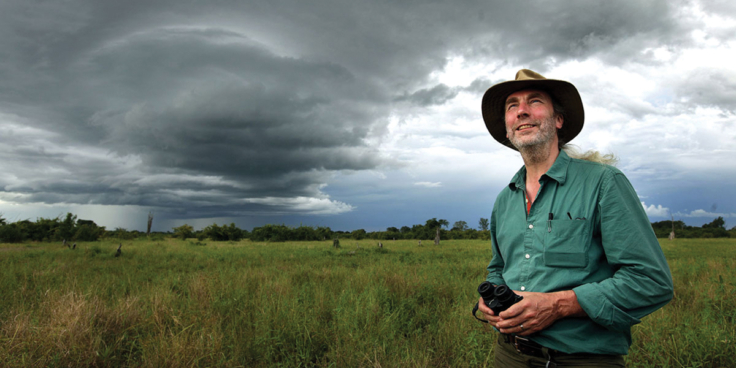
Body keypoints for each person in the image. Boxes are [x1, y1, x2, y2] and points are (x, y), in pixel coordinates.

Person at [476, 69, 673, 367]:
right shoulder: (505, 199)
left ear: (558, 120)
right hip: (509, 355)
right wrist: (488, 300)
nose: (522, 111)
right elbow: (498, 268)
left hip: (581, 359)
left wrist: (558, 305)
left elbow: (651, 281)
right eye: (512, 106)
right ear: (507, 129)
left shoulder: (604, 182)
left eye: (535, 101)